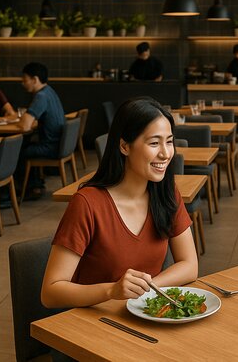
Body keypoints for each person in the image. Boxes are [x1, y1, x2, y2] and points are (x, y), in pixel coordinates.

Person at [41, 97, 198, 308]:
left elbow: (190, 265)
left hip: (143, 315)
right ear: (124, 146)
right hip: (94, 322)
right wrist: (112, 290)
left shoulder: (166, 193)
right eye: (154, 143)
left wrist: (146, 290)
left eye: (169, 141)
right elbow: (50, 293)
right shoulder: (87, 203)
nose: (165, 153)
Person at [16, 62, 65, 200]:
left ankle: (25, 189)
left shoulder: (41, 96)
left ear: (35, 79)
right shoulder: (49, 91)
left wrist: (24, 118)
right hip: (58, 144)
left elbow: (25, 126)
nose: (23, 83)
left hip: (50, 147)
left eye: (25, 79)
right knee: (27, 146)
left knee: (18, 151)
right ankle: (34, 185)